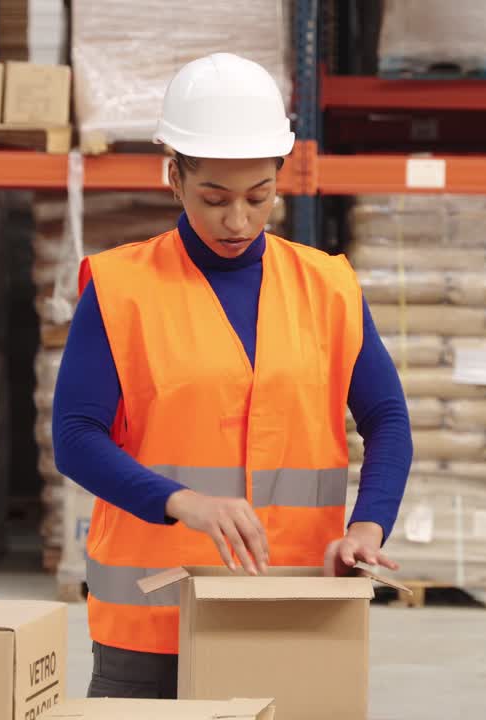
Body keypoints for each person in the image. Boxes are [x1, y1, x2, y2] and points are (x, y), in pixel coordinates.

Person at [52, 53, 412, 699]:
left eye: (259, 197)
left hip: (292, 605)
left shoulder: (328, 286)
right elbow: (76, 437)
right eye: (212, 198)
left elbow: (387, 419)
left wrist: (368, 526)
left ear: (281, 177)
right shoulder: (120, 288)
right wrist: (184, 503)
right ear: (174, 177)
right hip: (152, 621)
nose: (237, 221)